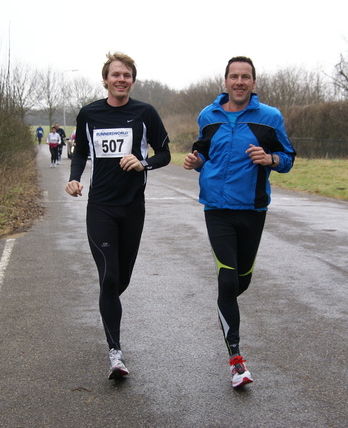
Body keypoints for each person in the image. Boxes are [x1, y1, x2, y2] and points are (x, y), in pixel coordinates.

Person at [183, 56, 296, 388]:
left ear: (254, 83)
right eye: (234, 76)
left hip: (252, 210)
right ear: (225, 81)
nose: (240, 82)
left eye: (246, 77)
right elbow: (204, 150)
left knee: (240, 282)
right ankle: (236, 361)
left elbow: (288, 158)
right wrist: (195, 159)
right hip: (216, 208)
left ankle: (225, 304)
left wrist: (271, 158)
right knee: (228, 281)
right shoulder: (209, 115)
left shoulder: (270, 118)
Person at [65, 52, 171, 380]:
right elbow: (81, 149)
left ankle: (108, 307)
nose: (121, 79)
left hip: (132, 207)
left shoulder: (144, 113)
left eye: (126, 75)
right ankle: (115, 352)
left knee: (120, 280)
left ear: (132, 80)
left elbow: (165, 152)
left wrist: (144, 163)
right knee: (109, 277)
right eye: (115, 74)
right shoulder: (89, 113)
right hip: (100, 207)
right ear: (105, 79)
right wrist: (75, 177)